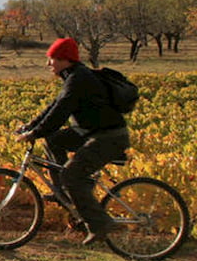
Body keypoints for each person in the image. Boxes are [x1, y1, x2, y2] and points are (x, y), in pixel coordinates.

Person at [16, 37, 130, 246]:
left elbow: (59, 114)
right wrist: (30, 126)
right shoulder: (73, 77)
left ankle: (99, 223)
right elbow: (53, 106)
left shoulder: (78, 80)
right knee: (53, 140)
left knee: (71, 174)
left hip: (107, 137)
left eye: (51, 59)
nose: (48, 64)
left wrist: (34, 134)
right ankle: (64, 194)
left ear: (64, 59)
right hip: (91, 132)